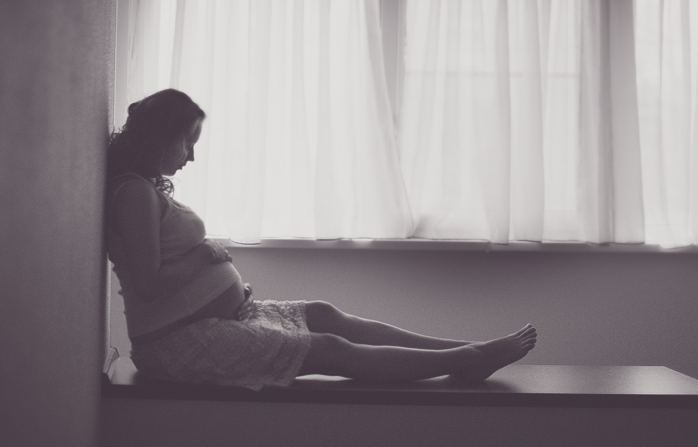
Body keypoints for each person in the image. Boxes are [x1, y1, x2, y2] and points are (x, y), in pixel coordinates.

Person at [105, 88, 537, 390]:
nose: (192, 156)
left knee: (322, 313)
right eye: (188, 142)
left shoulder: (143, 187)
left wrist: (217, 284)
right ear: (163, 136)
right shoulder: (134, 193)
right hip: (177, 346)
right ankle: (464, 361)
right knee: (329, 348)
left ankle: (466, 350)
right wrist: (204, 257)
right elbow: (149, 282)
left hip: (213, 322)